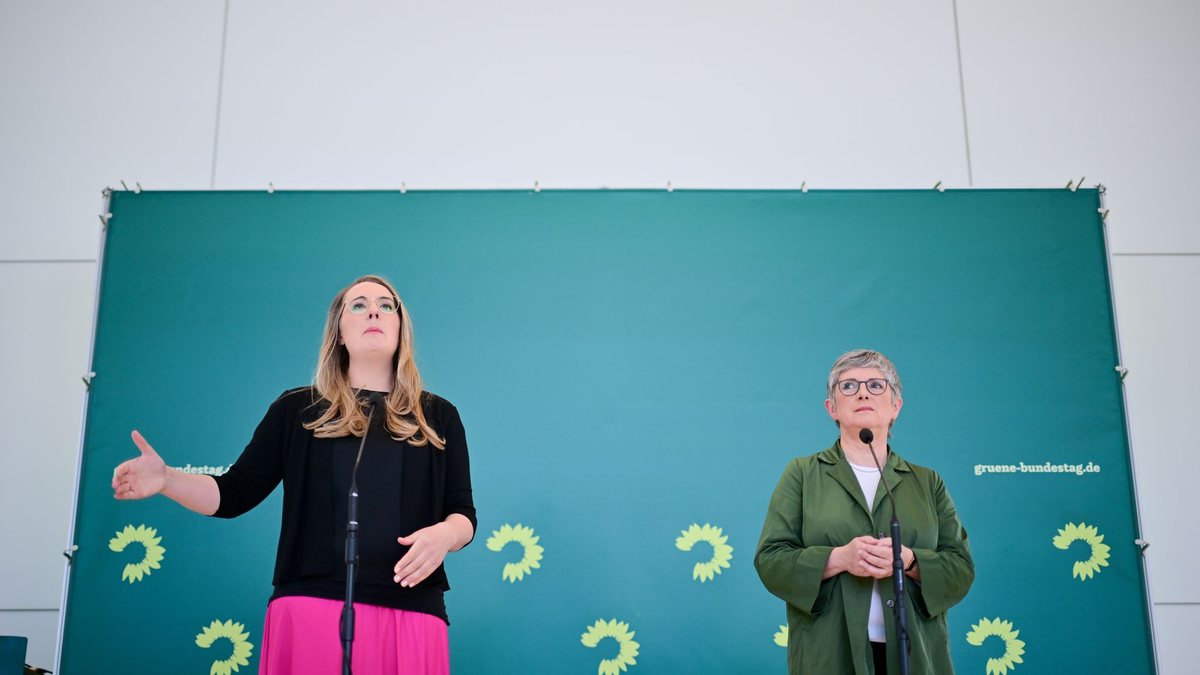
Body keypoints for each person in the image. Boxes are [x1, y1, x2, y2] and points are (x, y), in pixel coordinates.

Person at [111, 274, 476, 674]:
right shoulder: (296, 410)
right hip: (310, 609)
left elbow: (462, 514)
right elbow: (233, 493)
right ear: (338, 332)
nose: (374, 309)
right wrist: (167, 479)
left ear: (401, 327)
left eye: (386, 305)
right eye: (359, 304)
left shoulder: (438, 416)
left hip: (411, 609)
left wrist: (446, 535)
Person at [754, 349, 972, 674]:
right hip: (829, 653)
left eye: (876, 385)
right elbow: (771, 561)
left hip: (915, 654)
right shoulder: (801, 473)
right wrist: (839, 559)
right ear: (832, 408)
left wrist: (910, 561)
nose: (863, 393)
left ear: (896, 406)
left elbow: (960, 569)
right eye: (849, 386)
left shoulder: (928, 482)